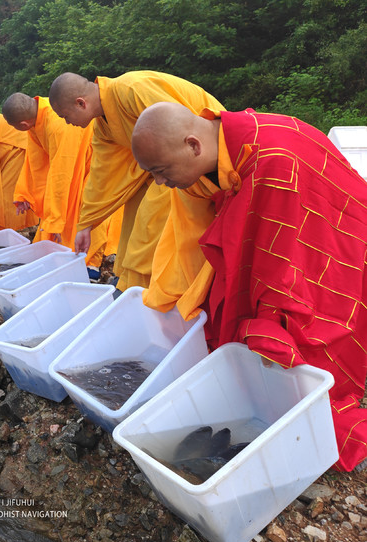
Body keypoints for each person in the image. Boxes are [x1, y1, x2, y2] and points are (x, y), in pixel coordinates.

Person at [131, 101, 367, 472]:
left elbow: (279, 270)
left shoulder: (270, 166)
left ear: (193, 145)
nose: (160, 183)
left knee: (297, 328)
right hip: (320, 213)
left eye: (161, 171)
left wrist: (266, 331)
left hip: (339, 232)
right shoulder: (232, 141)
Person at [48, 70, 224, 296]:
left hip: (194, 157)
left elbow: (181, 132)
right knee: (132, 215)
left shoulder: (131, 90)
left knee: (149, 221)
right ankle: (128, 281)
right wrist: (87, 223)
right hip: (163, 167)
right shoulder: (103, 126)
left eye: (65, 116)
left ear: (81, 103)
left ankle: (153, 290)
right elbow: (102, 174)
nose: (67, 123)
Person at [1, 92, 117, 277]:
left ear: (23, 125)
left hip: (95, 166)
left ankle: (89, 263)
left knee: (88, 211)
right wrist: (25, 193)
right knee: (63, 219)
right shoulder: (38, 115)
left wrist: (55, 221)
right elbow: (35, 158)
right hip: (72, 168)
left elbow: (61, 175)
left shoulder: (58, 124)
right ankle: (65, 255)